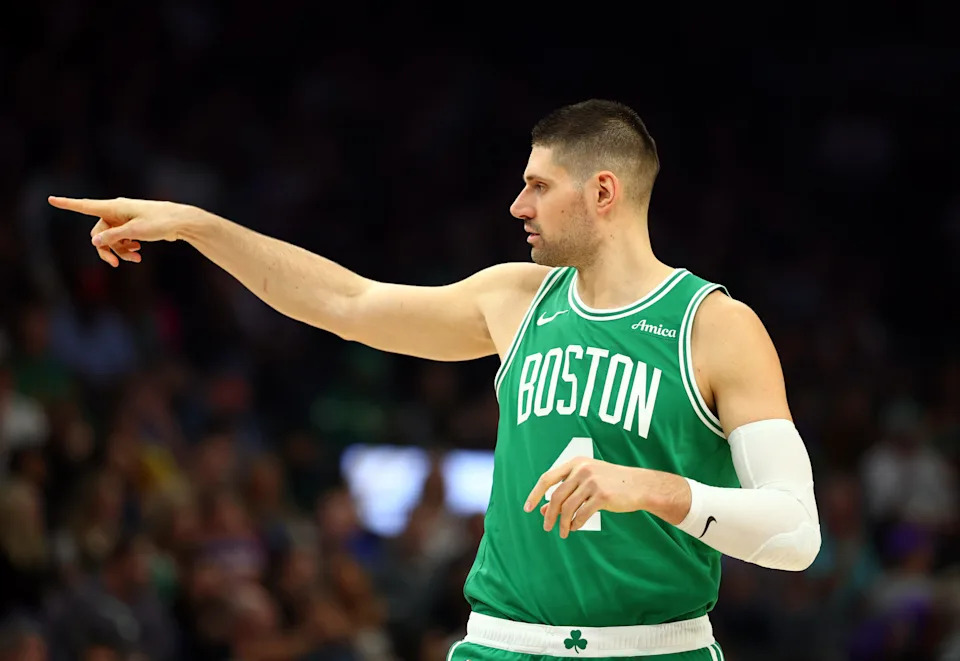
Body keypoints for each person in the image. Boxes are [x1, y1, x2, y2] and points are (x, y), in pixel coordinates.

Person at [50, 99, 821, 660]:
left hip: (660, 646)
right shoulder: (514, 298)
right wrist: (197, 225)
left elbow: (794, 532)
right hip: (502, 643)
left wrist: (651, 488)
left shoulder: (715, 326)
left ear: (604, 193)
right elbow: (346, 302)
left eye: (539, 186)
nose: (518, 204)